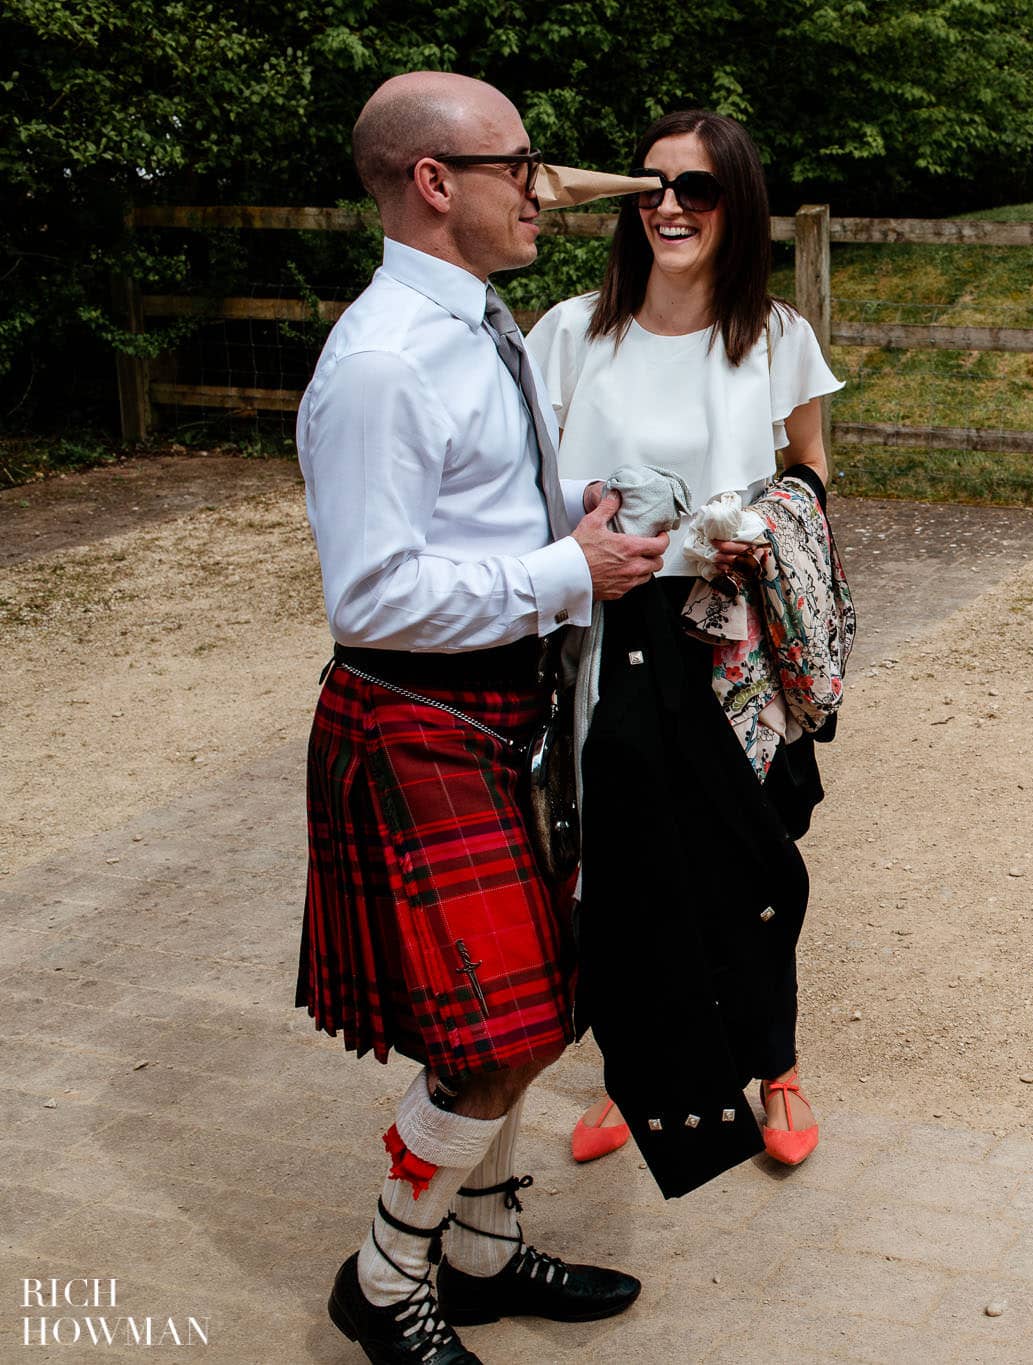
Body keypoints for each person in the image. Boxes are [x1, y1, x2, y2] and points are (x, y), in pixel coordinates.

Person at [295, 71, 669, 1364]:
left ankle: (483, 1253)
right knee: (497, 1036)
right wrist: (568, 573)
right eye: (518, 166)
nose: (541, 190)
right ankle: (386, 1273)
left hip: (503, 706)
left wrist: (579, 515)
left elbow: (477, 503)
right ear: (433, 182)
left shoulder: (479, 322)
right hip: (421, 715)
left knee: (534, 1006)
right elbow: (372, 592)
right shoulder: (385, 361)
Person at [526, 109, 843, 1181]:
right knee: (623, 860)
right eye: (650, 185)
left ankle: (775, 1065)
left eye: (695, 188)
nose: (668, 205)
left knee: (751, 850)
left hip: (728, 632)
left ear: (734, 204)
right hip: (605, 623)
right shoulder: (571, 332)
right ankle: (638, 1075)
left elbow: (812, 470)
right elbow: (530, 485)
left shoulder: (775, 335)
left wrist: (768, 525)